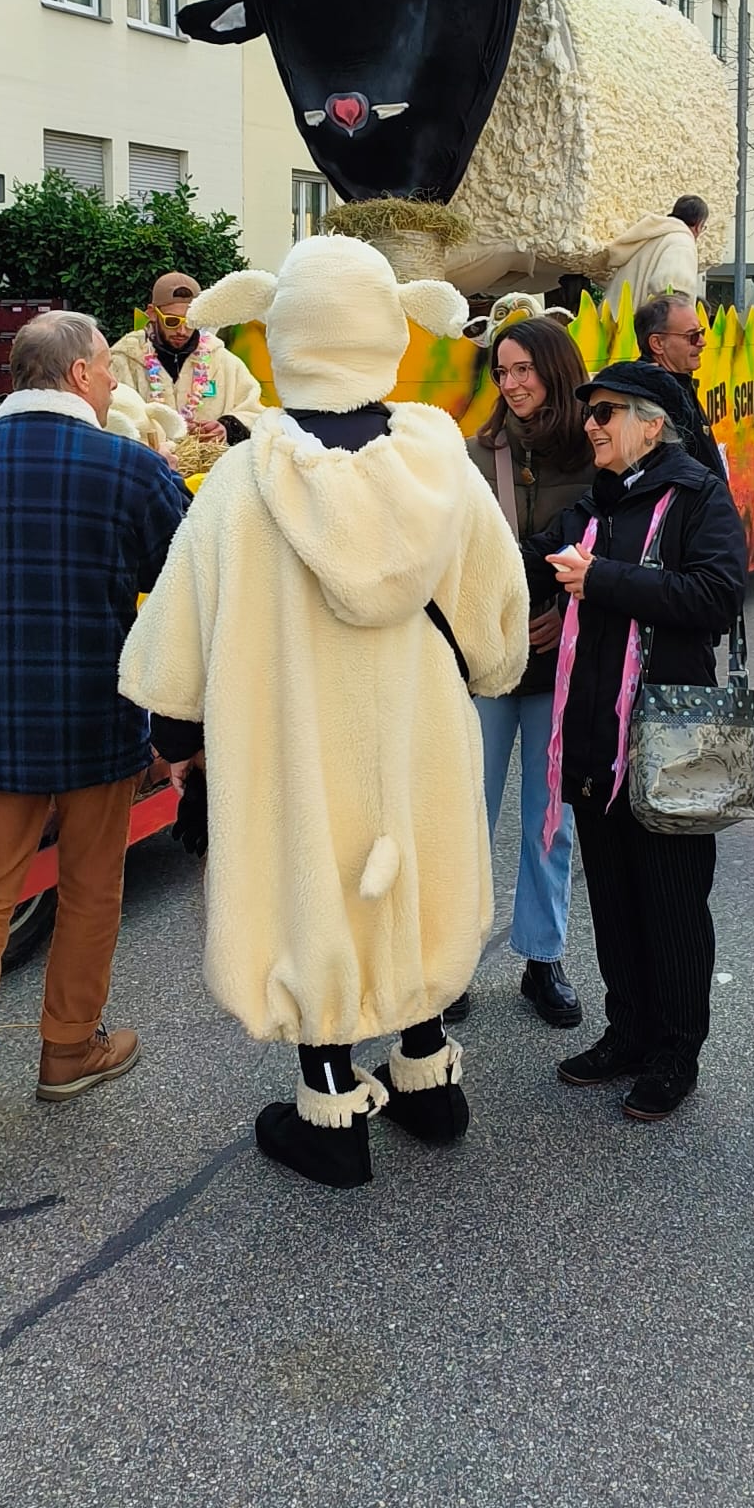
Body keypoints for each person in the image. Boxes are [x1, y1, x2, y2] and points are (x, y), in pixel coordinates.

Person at [119, 237, 529, 1190]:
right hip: (418, 722)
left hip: (290, 733)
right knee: (414, 868)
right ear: (391, 327)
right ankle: (428, 1076)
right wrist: (487, 665)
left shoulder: (243, 482)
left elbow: (180, 630)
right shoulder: (440, 461)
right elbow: (497, 606)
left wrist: (177, 737)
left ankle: (331, 1105)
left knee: (311, 881)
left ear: (283, 332)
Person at [0, 310, 189, 1161]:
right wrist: (182, 719)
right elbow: (190, 590)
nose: (116, 382)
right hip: (99, 723)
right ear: (80, 374)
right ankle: (68, 1052)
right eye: (108, 368)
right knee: (91, 890)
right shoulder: (132, 468)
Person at [521, 360, 748, 1122]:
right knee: (614, 893)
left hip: (676, 731)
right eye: (589, 411)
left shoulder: (699, 495)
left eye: (605, 412)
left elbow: (716, 596)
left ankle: (676, 1052)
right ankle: (627, 1032)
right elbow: (528, 564)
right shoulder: (594, 504)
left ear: (652, 425)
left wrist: (603, 580)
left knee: (674, 900)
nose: (590, 424)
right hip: (595, 727)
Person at [466, 311, 598, 1028]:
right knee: (466, 815)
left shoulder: (597, 454)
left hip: (561, 662)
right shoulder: (473, 454)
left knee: (551, 820)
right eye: (503, 371)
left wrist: (570, 614)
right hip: (485, 662)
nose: (513, 384)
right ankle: (452, 960)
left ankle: (543, 958)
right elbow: (453, 560)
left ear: (557, 370)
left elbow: (618, 555)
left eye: (525, 369)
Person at [109, 271, 265, 442]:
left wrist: (227, 427)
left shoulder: (224, 361)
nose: (182, 331)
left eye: (190, 322)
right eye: (172, 321)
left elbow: (256, 413)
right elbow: (109, 417)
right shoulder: (122, 361)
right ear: (152, 313)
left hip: (212, 459)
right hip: (147, 458)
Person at [634, 289, 729, 485]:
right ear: (657, 343)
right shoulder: (650, 396)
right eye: (692, 336)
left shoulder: (676, 381)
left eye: (701, 332)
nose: (702, 342)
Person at [599, 196, 708, 322]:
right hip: (635, 329)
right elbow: (673, 294)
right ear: (699, 225)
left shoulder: (651, 237)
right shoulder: (682, 242)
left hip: (609, 323)